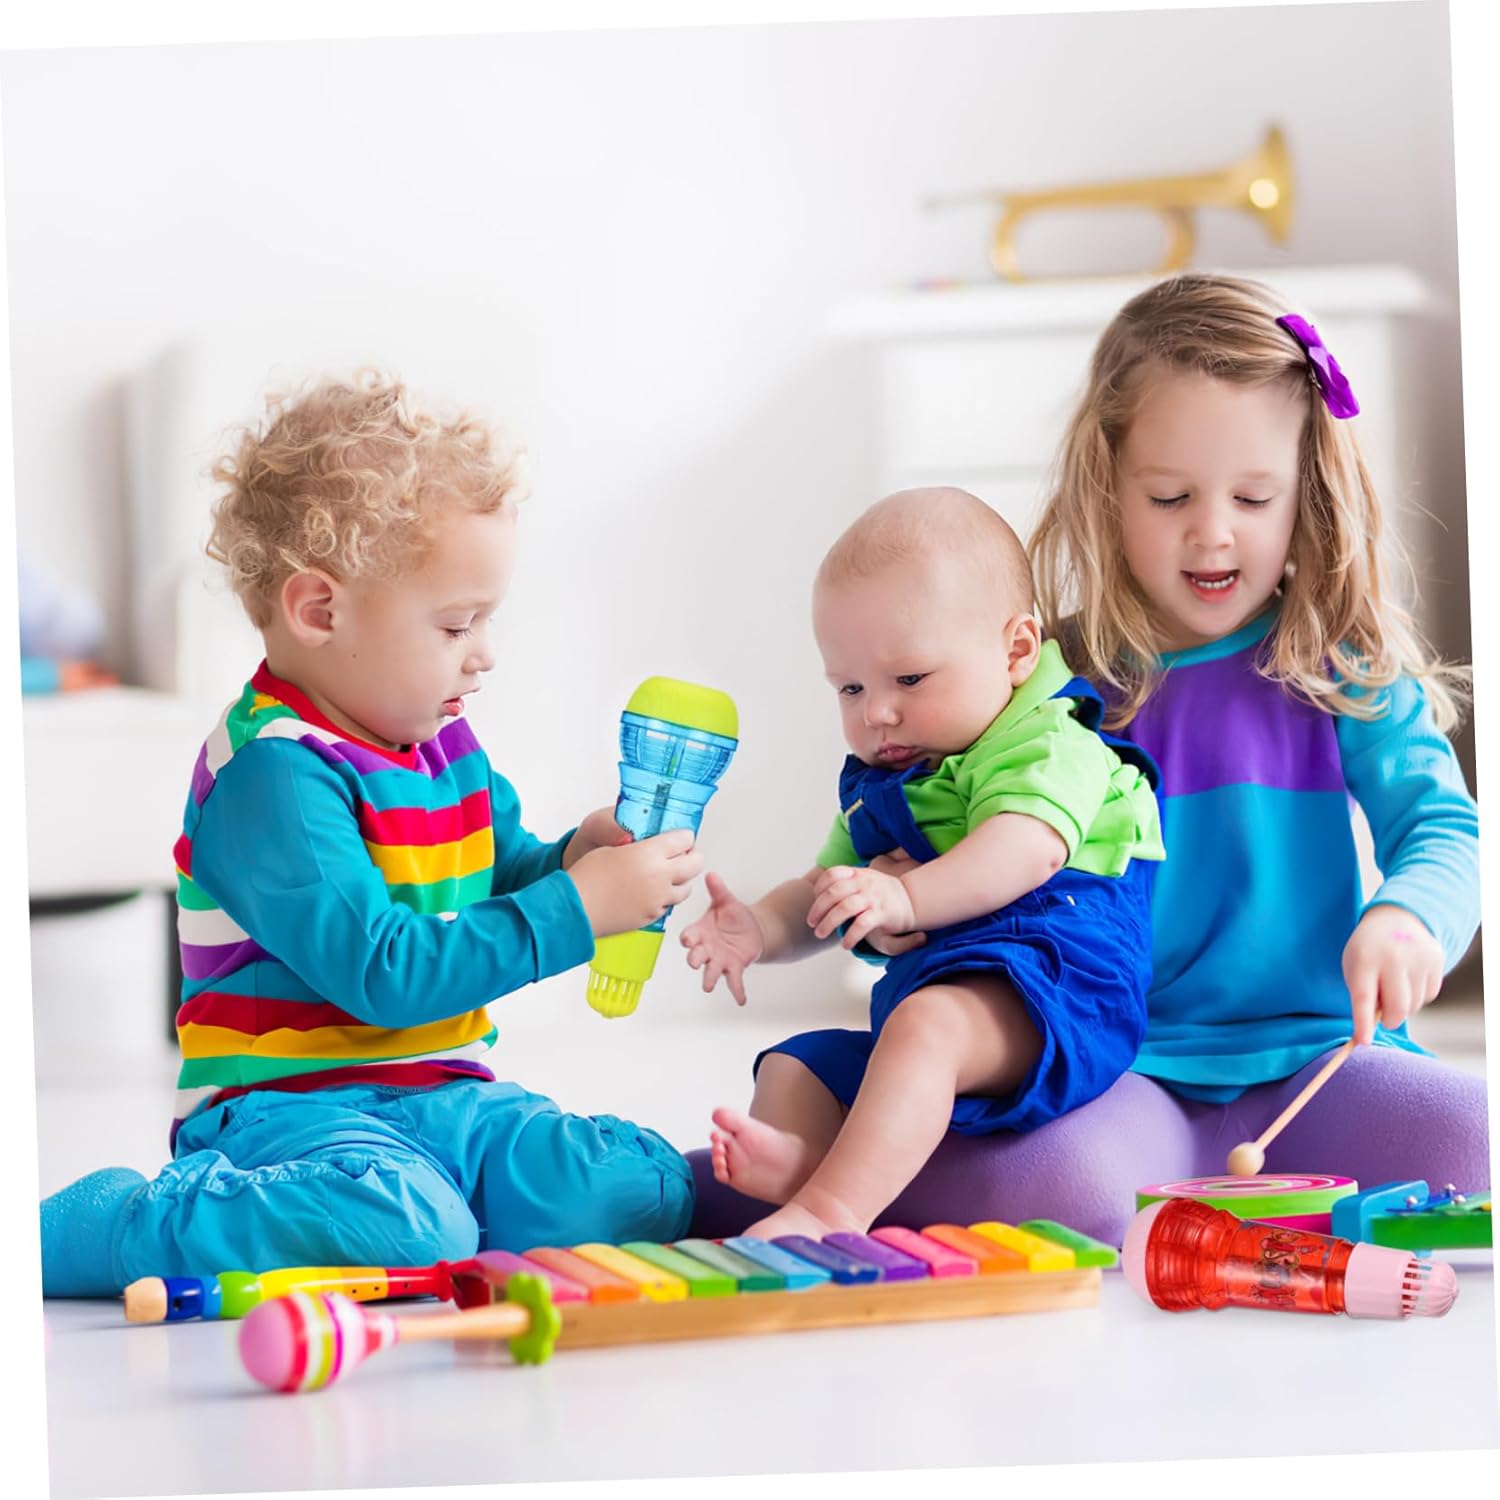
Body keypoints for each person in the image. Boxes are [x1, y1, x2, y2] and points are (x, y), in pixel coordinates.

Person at [39, 371, 702, 1295]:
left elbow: (495, 875)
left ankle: (738, 1182)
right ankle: (121, 1225)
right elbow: (384, 973)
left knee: (634, 1191)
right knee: (411, 1225)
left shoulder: (439, 742)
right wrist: (575, 910)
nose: (485, 654)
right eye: (457, 624)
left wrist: (569, 863)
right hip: (289, 1114)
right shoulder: (271, 774)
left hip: (448, 1097)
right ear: (320, 611)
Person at [1003, 270, 1483, 1238]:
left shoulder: (1341, 666)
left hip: (1321, 1061)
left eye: (1255, 496)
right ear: (1107, 486)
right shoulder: (1059, 681)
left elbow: (1442, 829)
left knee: (1473, 1143)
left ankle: (1218, 1199)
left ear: (1306, 495)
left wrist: (1408, 920)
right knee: (1057, 1197)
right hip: (1125, 1065)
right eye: (1170, 495)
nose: (1213, 532)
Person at [680, 487, 1164, 1240]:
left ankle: (829, 1210)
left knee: (926, 1027)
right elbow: (827, 890)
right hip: (941, 998)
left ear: (1016, 652)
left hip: (1060, 991)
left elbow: (1024, 848)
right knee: (795, 1065)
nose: (877, 712)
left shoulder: (1048, 740)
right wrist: (762, 930)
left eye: (909, 680)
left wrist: (903, 899)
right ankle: (804, 1164)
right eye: (850, 687)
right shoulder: (890, 780)